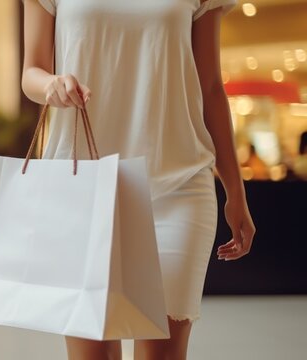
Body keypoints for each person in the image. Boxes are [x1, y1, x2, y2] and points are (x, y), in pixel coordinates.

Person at [22, 1, 256, 359]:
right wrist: (51, 84)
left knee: (162, 353)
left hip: (178, 186)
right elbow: (31, 72)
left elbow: (210, 87)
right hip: (81, 187)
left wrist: (235, 191)